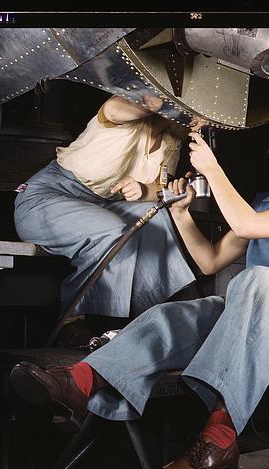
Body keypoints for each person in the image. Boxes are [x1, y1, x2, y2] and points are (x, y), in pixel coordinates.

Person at [10, 93, 269, 469]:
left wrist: (214, 170)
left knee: (257, 279)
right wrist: (180, 212)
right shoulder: (265, 200)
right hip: (248, 312)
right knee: (174, 314)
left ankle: (220, 436)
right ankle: (78, 383)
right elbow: (209, 260)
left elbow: (246, 227)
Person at [13, 94, 199, 323]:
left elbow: (158, 188)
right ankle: (75, 320)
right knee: (112, 230)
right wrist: (170, 99)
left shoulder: (173, 138)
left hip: (103, 205)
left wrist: (142, 189)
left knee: (156, 217)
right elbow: (113, 110)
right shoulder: (122, 112)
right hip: (48, 197)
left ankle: (153, 319)